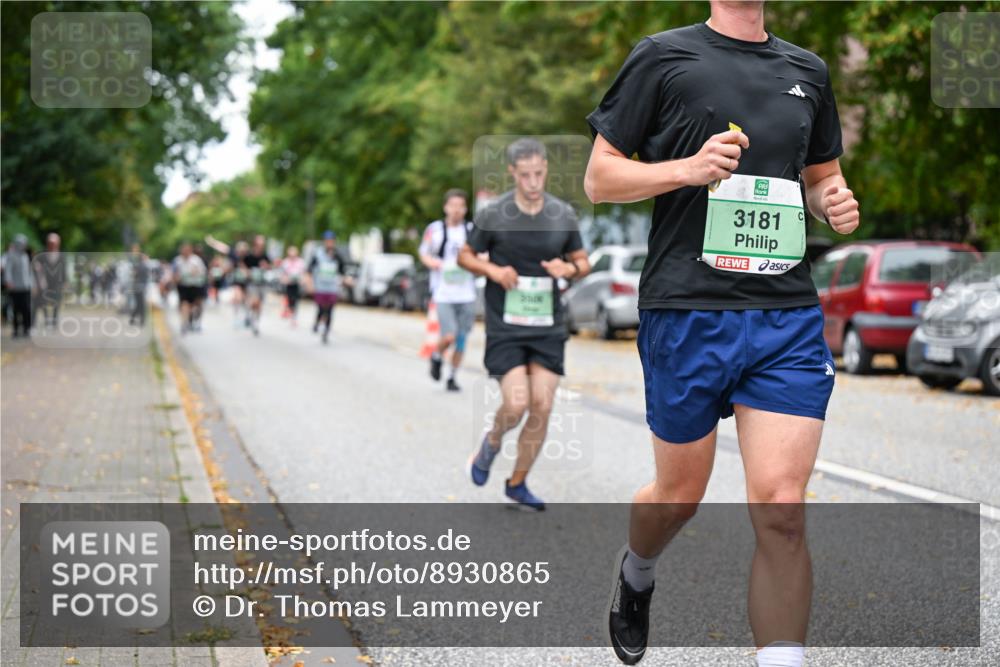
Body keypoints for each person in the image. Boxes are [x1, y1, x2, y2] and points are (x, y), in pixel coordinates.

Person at [584, 2, 861, 665]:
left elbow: (821, 176)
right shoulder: (663, 56)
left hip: (785, 314)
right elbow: (599, 178)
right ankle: (638, 571)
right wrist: (688, 167)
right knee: (679, 497)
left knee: (782, 507)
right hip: (688, 310)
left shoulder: (808, 70)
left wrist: (832, 201)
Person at [457, 138, 590, 511]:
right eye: (525, 175)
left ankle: (517, 483)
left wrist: (569, 268)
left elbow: (583, 262)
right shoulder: (494, 214)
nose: (533, 182)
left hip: (548, 326)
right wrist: (494, 271)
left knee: (542, 406)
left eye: (539, 174)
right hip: (507, 326)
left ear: (546, 169)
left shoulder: (562, 214)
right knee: (516, 404)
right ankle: (492, 442)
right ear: (512, 173)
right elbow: (465, 256)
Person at [419, 189, 478, 391]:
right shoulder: (434, 230)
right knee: (449, 335)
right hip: (443, 293)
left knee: (461, 340)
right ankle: (437, 356)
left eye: (460, 206)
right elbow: (424, 254)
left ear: (465, 209)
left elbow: (482, 255)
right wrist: (435, 264)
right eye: (453, 205)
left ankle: (452, 376)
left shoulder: (471, 230)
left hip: (467, 294)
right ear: (445, 207)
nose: (456, 210)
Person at [305, 231, 350, 344]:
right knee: (321, 308)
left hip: (332, 288)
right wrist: (310, 284)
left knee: (330, 309)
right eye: (328, 241)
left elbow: (342, 272)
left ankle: (326, 332)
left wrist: (346, 280)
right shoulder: (318, 254)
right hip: (320, 287)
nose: (330, 243)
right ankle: (317, 322)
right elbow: (309, 270)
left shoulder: (337, 256)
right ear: (324, 242)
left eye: (332, 241)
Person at [172, 242, 208, 334]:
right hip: (184, 286)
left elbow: (203, 272)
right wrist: (176, 278)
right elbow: (174, 274)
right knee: (184, 304)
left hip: (196, 286)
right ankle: (184, 324)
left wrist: (196, 272)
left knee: (197, 304)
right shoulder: (177, 261)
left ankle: (196, 320)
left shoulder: (196, 260)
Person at [2, 235, 34, 338]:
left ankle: (27, 328)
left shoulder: (25, 256)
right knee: (16, 309)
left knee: (27, 309)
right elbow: (8, 270)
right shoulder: (11, 256)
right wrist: (8, 282)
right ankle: (16, 329)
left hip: (26, 287)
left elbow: (29, 272)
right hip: (15, 288)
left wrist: (32, 284)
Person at [33, 233, 66, 328]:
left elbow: (64, 270)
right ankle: (47, 320)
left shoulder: (61, 256)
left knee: (56, 302)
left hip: (57, 283)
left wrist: (64, 282)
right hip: (44, 283)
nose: (52, 245)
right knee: (43, 302)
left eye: (54, 243)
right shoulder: (41, 255)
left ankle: (54, 321)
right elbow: (36, 267)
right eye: (51, 243)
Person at [279, 245, 307, 327]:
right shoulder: (285, 262)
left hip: (297, 284)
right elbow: (282, 274)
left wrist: (303, 280)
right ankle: (288, 311)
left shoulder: (301, 262)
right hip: (288, 284)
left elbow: (304, 273)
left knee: (295, 301)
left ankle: (293, 317)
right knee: (289, 300)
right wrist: (284, 279)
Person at [128, 244, 150, 327]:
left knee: (139, 304)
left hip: (139, 286)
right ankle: (141, 320)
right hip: (139, 286)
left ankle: (134, 319)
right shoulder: (140, 265)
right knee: (141, 304)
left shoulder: (141, 265)